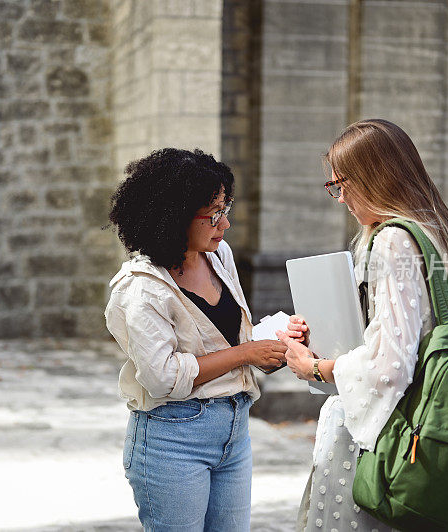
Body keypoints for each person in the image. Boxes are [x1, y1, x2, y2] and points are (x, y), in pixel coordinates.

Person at [275, 119, 448, 532]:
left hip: (383, 440)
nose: (340, 198)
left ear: (372, 178)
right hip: (431, 432)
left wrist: (313, 367)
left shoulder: (391, 240)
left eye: (341, 185)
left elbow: (389, 367)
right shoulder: (438, 232)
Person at [104, 147, 287, 531]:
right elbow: (163, 378)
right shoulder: (141, 289)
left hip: (235, 429)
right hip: (173, 438)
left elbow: (228, 339)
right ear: (174, 218)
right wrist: (246, 353)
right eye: (214, 214)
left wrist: (275, 339)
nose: (226, 224)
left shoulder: (219, 257)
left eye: (226, 207)